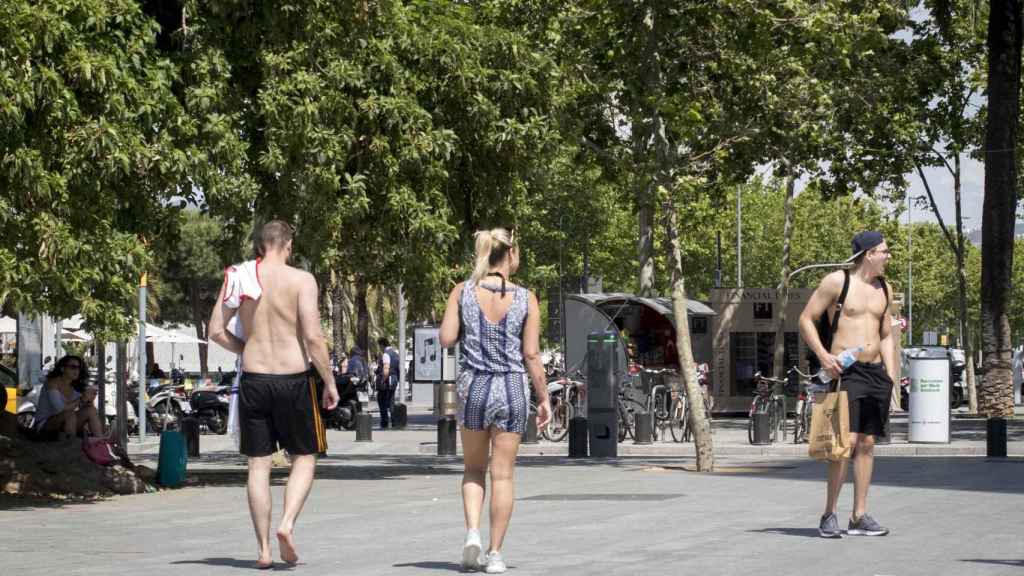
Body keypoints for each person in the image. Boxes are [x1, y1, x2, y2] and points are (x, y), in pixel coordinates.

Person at [209, 220, 339, 569]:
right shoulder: (301, 280)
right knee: (305, 456)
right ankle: (287, 524)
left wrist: (246, 347)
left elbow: (215, 330)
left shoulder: (240, 275)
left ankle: (264, 550)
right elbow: (313, 337)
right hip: (293, 378)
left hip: (254, 378)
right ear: (288, 245)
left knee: (258, 466)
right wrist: (329, 381)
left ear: (261, 245)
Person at [439, 227, 552, 573]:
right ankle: (496, 554)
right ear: (511, 254)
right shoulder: (526, 299)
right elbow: (531, 354)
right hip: (511, 389)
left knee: (473, 469)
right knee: (502, 475)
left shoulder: (462, 292)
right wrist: (544, 397)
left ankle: (472, 533)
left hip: (473, 387)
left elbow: (446, 339)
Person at [798, 230, 895, 539]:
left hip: (876, 373)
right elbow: (805, 319)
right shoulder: (837, 282)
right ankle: (829, 514)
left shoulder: (885, 288)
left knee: (867, 444)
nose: (888, 256)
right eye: (884, 251)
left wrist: (891, 377)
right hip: (847, 371)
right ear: (868, 253)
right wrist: (824, 356)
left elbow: (886, 335)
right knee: (846, 443)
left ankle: (859, 515)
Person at [33, 355, 104, 440]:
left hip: (66, 422)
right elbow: (60, 408)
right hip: (44, 425)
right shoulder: (52, 383)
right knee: (69, 414)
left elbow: (85, 409)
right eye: (73, 367)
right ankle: (71, 446)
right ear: (62, 369)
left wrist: (89, 400)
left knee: (90, 410)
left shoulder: (76, 386)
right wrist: (81, 399)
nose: (76, 370)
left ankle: (101, 442)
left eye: (78, 368)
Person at [375, 337, 400, 429]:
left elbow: (386, 368)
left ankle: (384, 422)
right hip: (393, 380)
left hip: (386, 381)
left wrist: (382, 380)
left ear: (382, 344)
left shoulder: (386, 354)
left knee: (381, 400)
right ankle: (394, 421)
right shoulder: (396, 354)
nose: (379, 348)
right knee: (391, 402)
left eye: (379, 346)